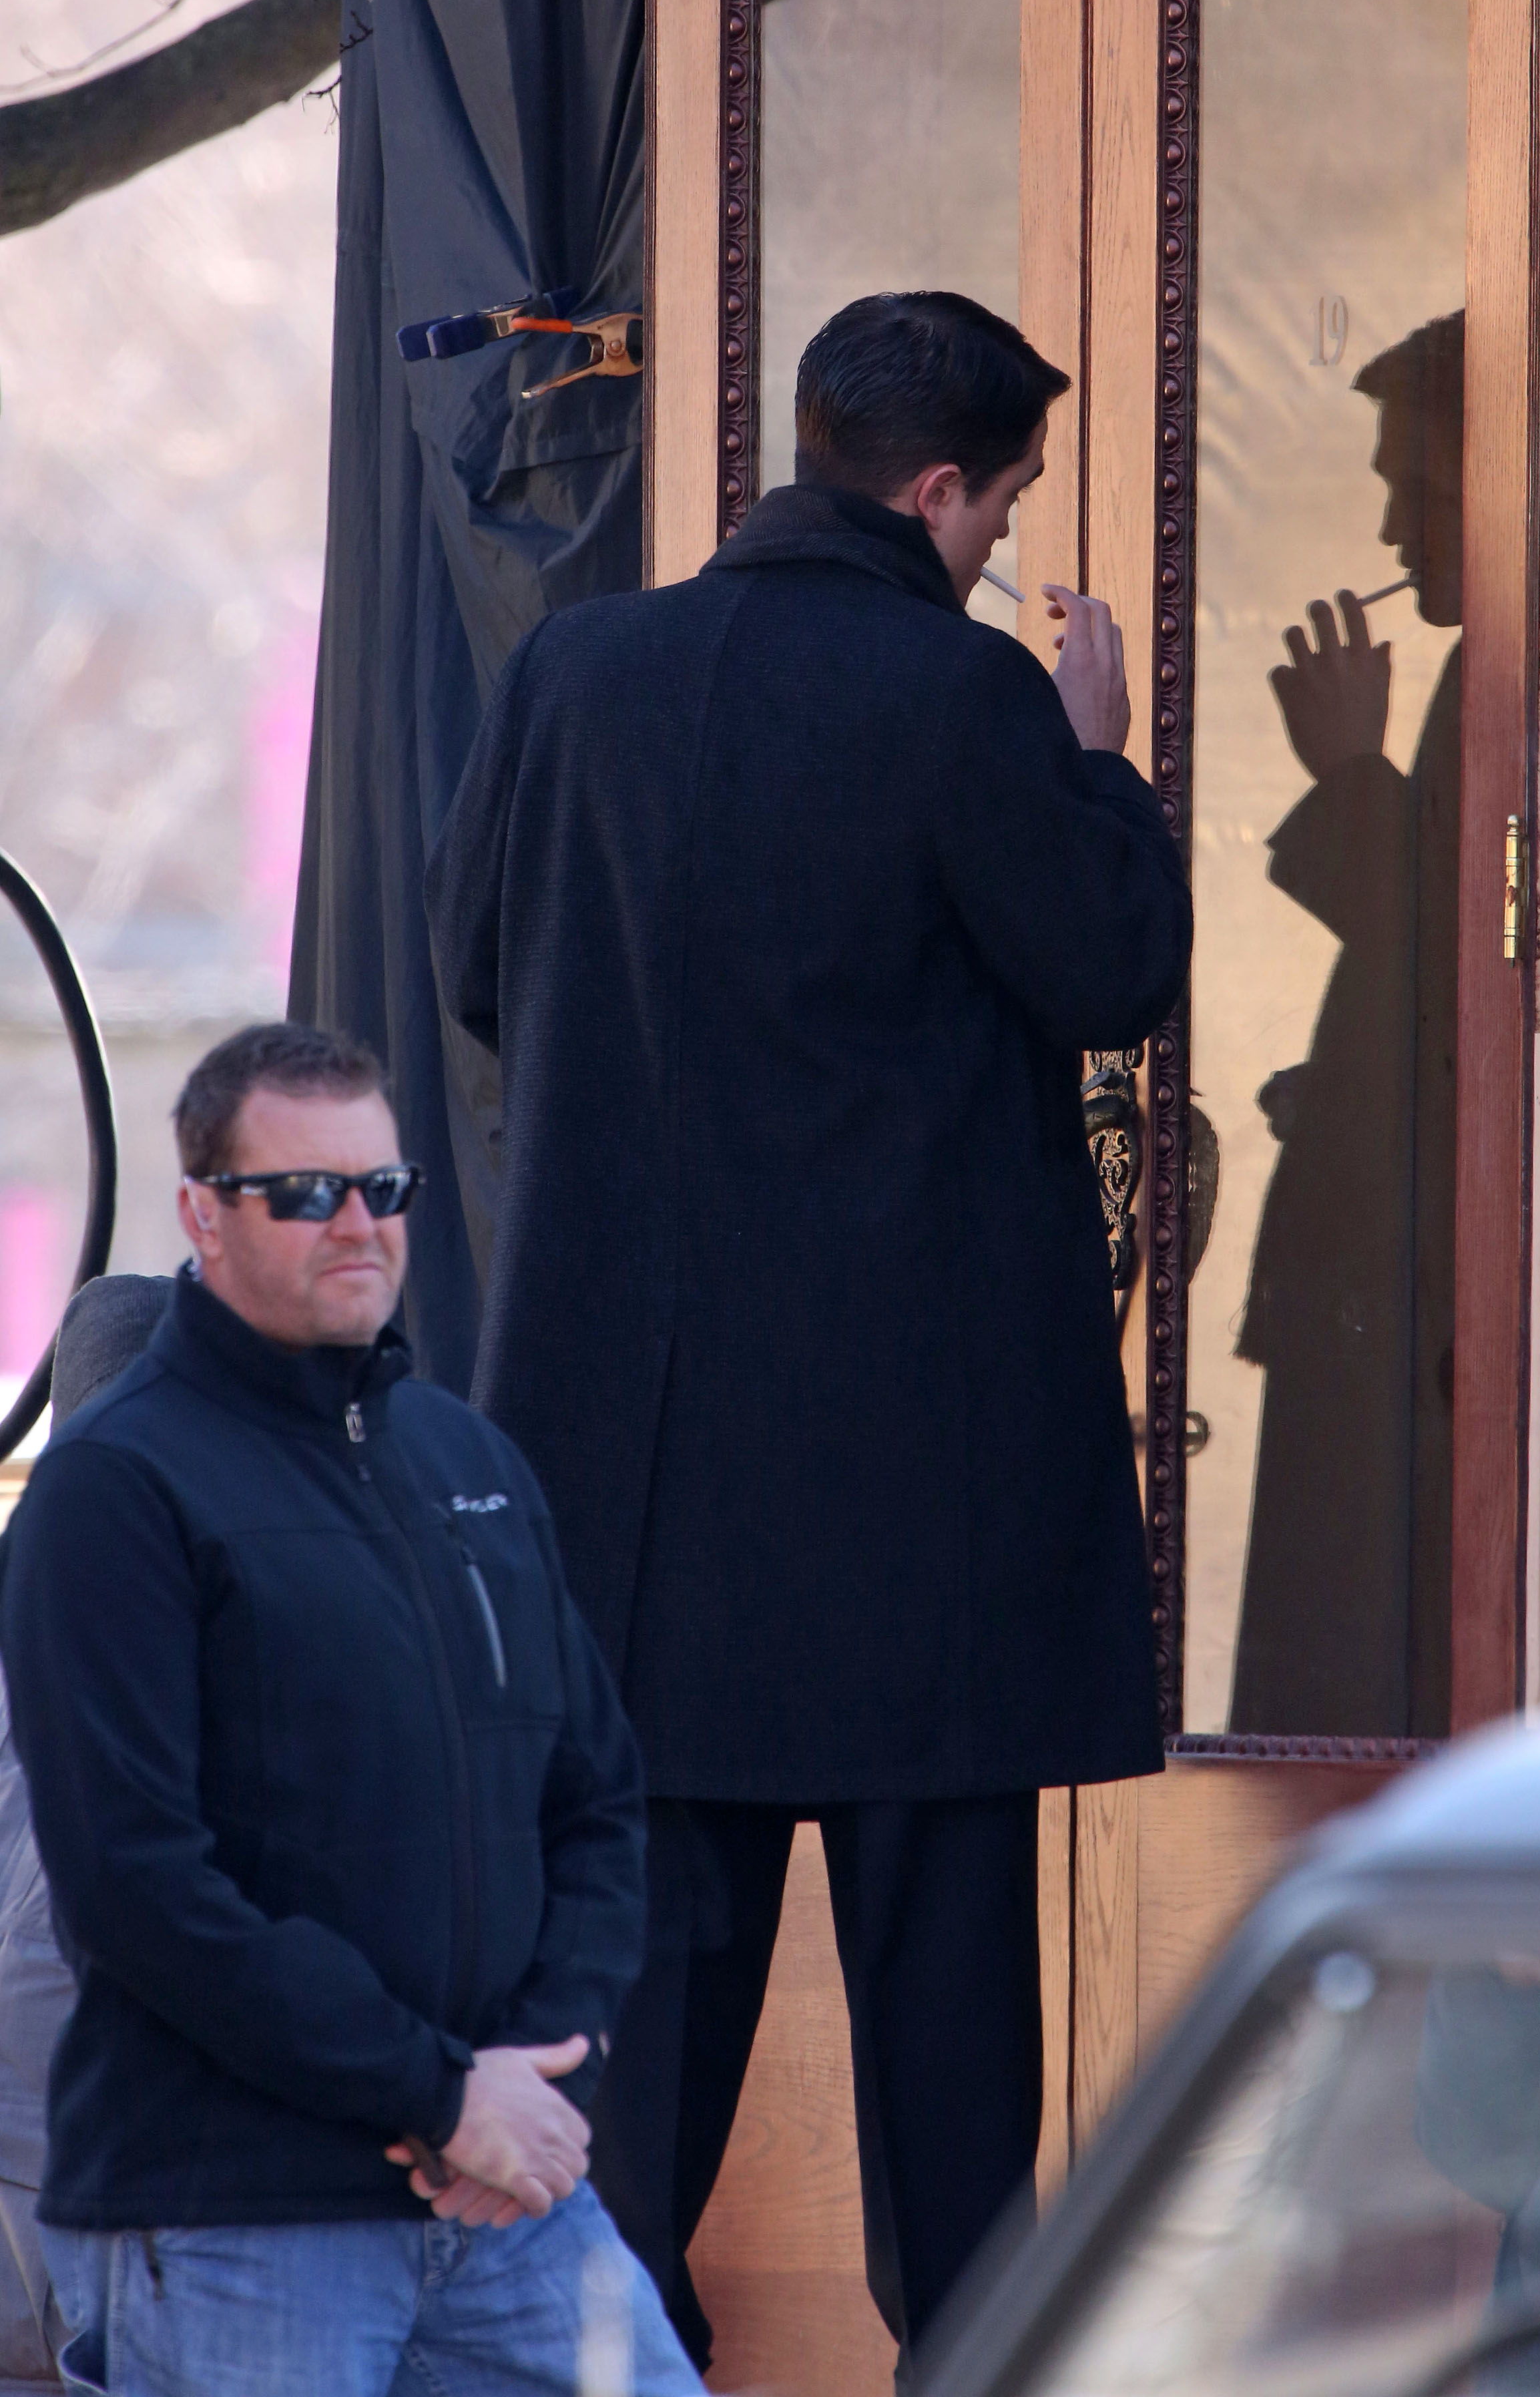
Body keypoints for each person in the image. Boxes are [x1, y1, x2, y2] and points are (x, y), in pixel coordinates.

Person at [425, 290, 1193, 2372]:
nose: (1003, 542)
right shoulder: (964, 703)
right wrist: (1098, 760)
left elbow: (478, 969)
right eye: (1005, 503)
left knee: (637, 2051)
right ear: (935, 491)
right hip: (916, 1506)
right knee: (948, 2059)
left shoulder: (575, 673)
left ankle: (606, 2366)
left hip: (635, 1501)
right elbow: (1110, 965)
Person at [0, 1022, 703, 2397]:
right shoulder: (112, 1494)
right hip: (239, 2221)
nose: (356, 1224)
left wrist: (540, 2077)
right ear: (203, 1214)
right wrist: (439, 2094)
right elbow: (138, 1890)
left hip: (506, 2202)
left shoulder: (467, 1462)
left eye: (383, 1187)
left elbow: (596, 1803)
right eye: (305, 1192)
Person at [1230, 310, 1463, 1738]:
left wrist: (1348, 772)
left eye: (1415, 487)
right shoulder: (1487, 671)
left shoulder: (1534, 682)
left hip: (1420, 1316)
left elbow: (1465, 965)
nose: (1389, 529)